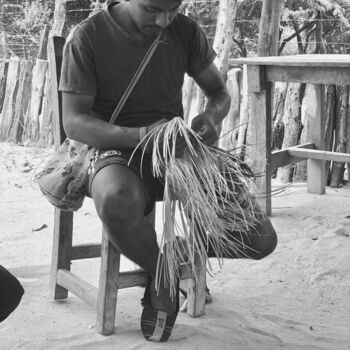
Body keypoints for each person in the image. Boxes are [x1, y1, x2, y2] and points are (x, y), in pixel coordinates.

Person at [59, 0, 277, 342]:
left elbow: (219, 92)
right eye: (152, 9)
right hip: (114, 148)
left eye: (173, 9)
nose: (163, 21)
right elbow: (74, 122)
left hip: (175, 148)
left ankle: (170, 255)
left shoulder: (185, 30)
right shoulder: (88, 36)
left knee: (260, 238)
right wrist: (141, 136)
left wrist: (210, 117)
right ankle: (163, 276)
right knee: (117, 199)